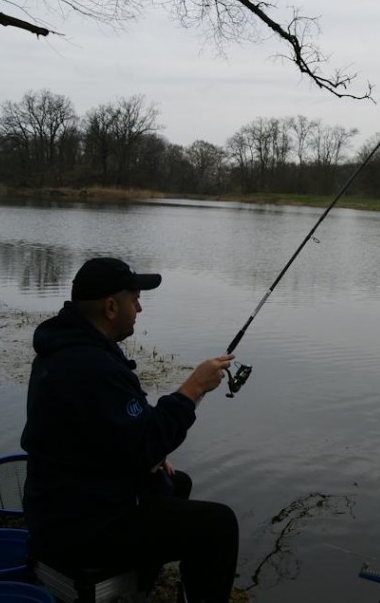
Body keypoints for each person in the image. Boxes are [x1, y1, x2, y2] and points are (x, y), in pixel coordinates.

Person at [21, 257, 239, 603]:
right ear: (111, 307)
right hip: (80, 528)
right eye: (135, 299)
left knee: (174, 483)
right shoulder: (92, 366)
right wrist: (193, 388)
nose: (139, 309)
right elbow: (145, 441)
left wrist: (149, 457)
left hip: (60, 506)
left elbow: (101, 434)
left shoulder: (65, 350)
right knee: (219, 525)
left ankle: (137, 590)